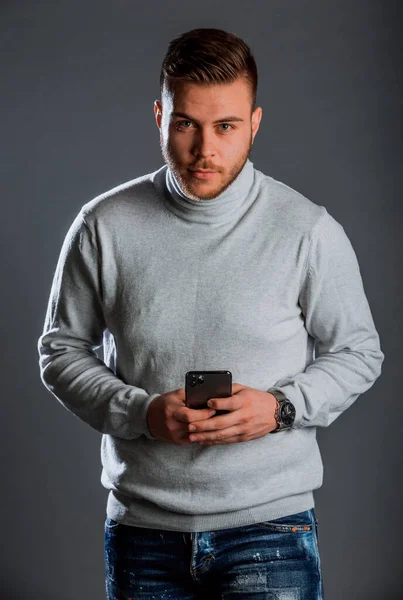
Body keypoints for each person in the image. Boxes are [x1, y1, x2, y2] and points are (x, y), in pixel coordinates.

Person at [37, 27, 384, 600]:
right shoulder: (103, 224)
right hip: (143, 531)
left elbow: (358, 351)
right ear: (159, 116)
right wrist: (143, 414)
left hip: (271, 529)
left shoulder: (306, 228)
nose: (205, 150)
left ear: (254, 123)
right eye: (185, 124)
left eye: (225, 126)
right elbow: (60, 350)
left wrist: (281, 408)